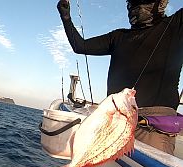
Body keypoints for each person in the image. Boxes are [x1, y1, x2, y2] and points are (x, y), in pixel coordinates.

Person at [57, 0, 183, 155]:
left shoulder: (175, 26)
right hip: (113, 120)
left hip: (152, 128)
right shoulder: (118, 36)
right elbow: (80, 46)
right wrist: (66, 17)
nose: (134, 7)